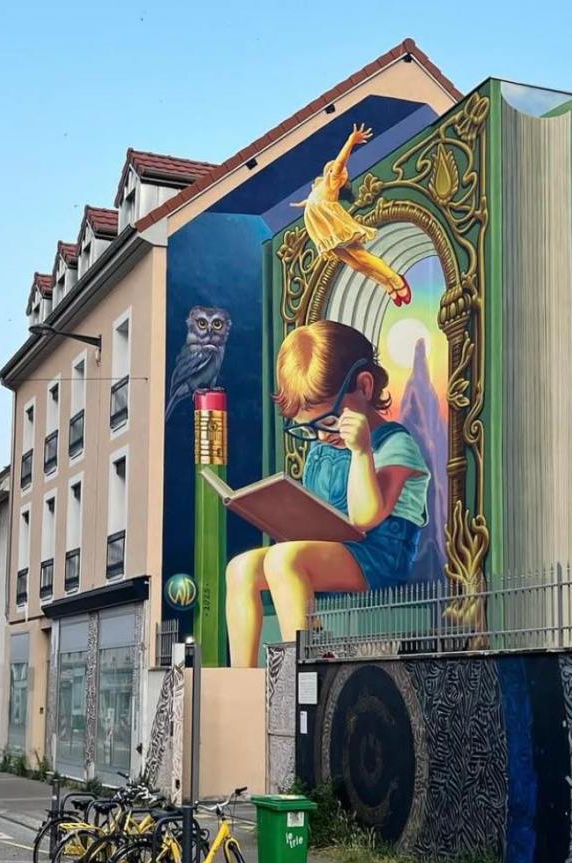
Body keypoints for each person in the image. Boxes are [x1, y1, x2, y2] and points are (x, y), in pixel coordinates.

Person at [226, 320, 430, 667]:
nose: (321, 436)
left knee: (285, 559)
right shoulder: (322, 450)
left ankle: (303, 667)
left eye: (330, 421)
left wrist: (361, 452)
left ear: (364, 387)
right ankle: (241, 677)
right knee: (240, 568)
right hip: (334, 551)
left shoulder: (395, 444)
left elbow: (365, 517)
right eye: (309, 428)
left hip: (378, 560)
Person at [291, 124, 411, 306]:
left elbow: (340, 163)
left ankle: (396, 280)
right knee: (356, 265)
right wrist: (303, 204)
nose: (340, 173)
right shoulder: (321, 186)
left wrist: (350, 141)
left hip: (334, 227)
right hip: (324, 231)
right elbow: (312, 199)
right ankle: (385, 284)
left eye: (342, 174)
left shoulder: (332, 183)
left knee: (362, 257)